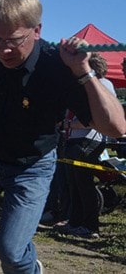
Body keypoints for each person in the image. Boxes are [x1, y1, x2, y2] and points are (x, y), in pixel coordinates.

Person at [0, 0, 126, 273]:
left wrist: (84, 72)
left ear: (37, 30)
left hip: (30, 166)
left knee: (12, 252)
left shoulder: (57, 67)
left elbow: (116, 128)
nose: (3, 49)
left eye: (14, 40)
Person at [55, 53, 116, 239]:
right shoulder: (99, 84)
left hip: (88, 138)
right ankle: (75, 222)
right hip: (80, 138)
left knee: (83, 184)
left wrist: (67, 125)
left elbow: (93, 118)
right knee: (75, 183)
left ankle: (90, 226)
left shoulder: (99, 86)